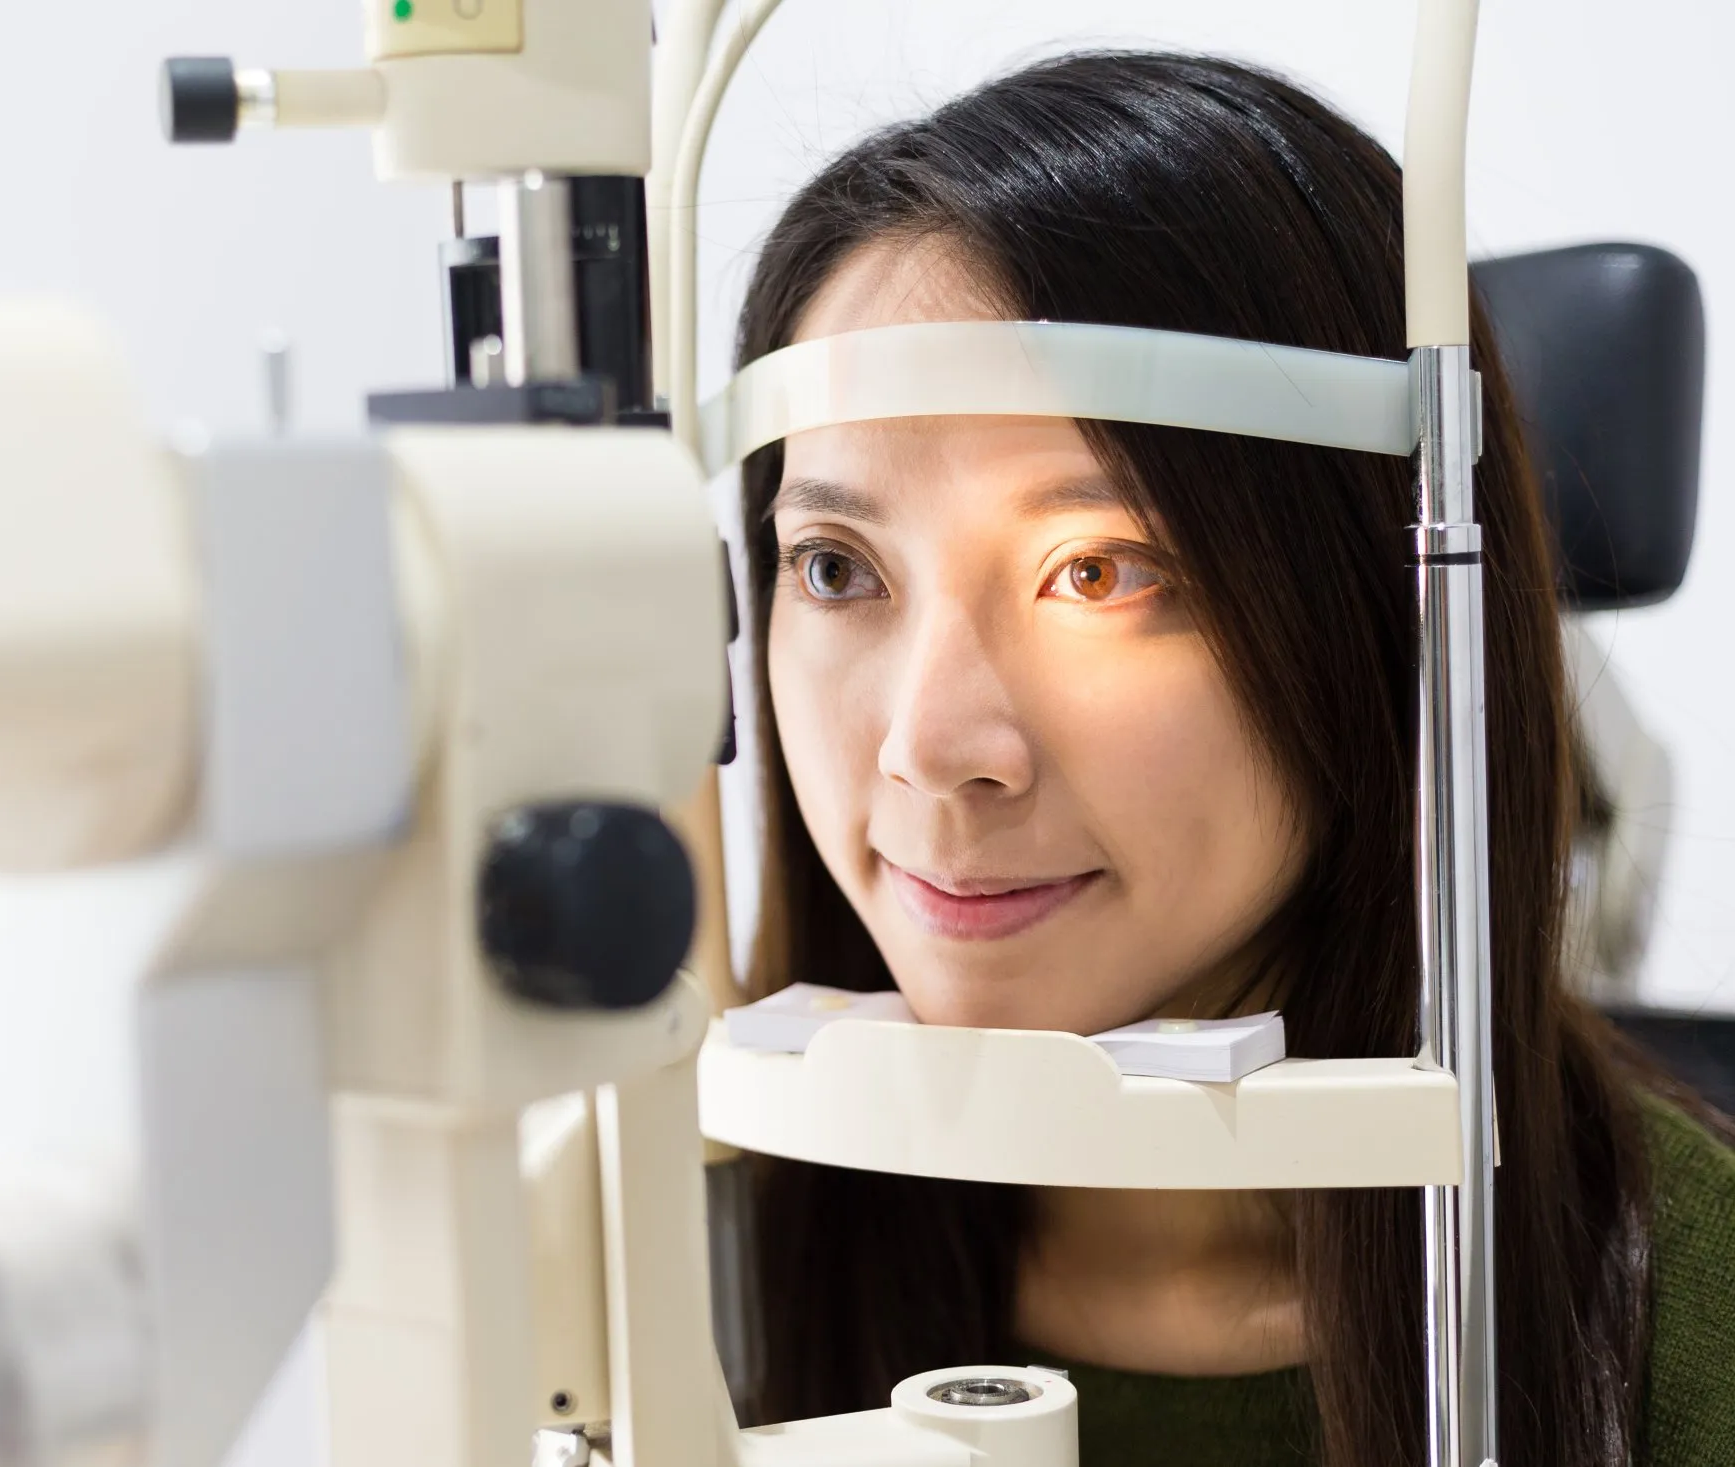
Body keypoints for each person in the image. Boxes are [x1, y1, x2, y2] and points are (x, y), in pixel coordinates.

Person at [730, 50, 1735, 1467]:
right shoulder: (674, 1259)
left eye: (1102, 571)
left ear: (1370, 624)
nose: (927, 749)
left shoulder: (1680, 1319)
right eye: (834, 566)